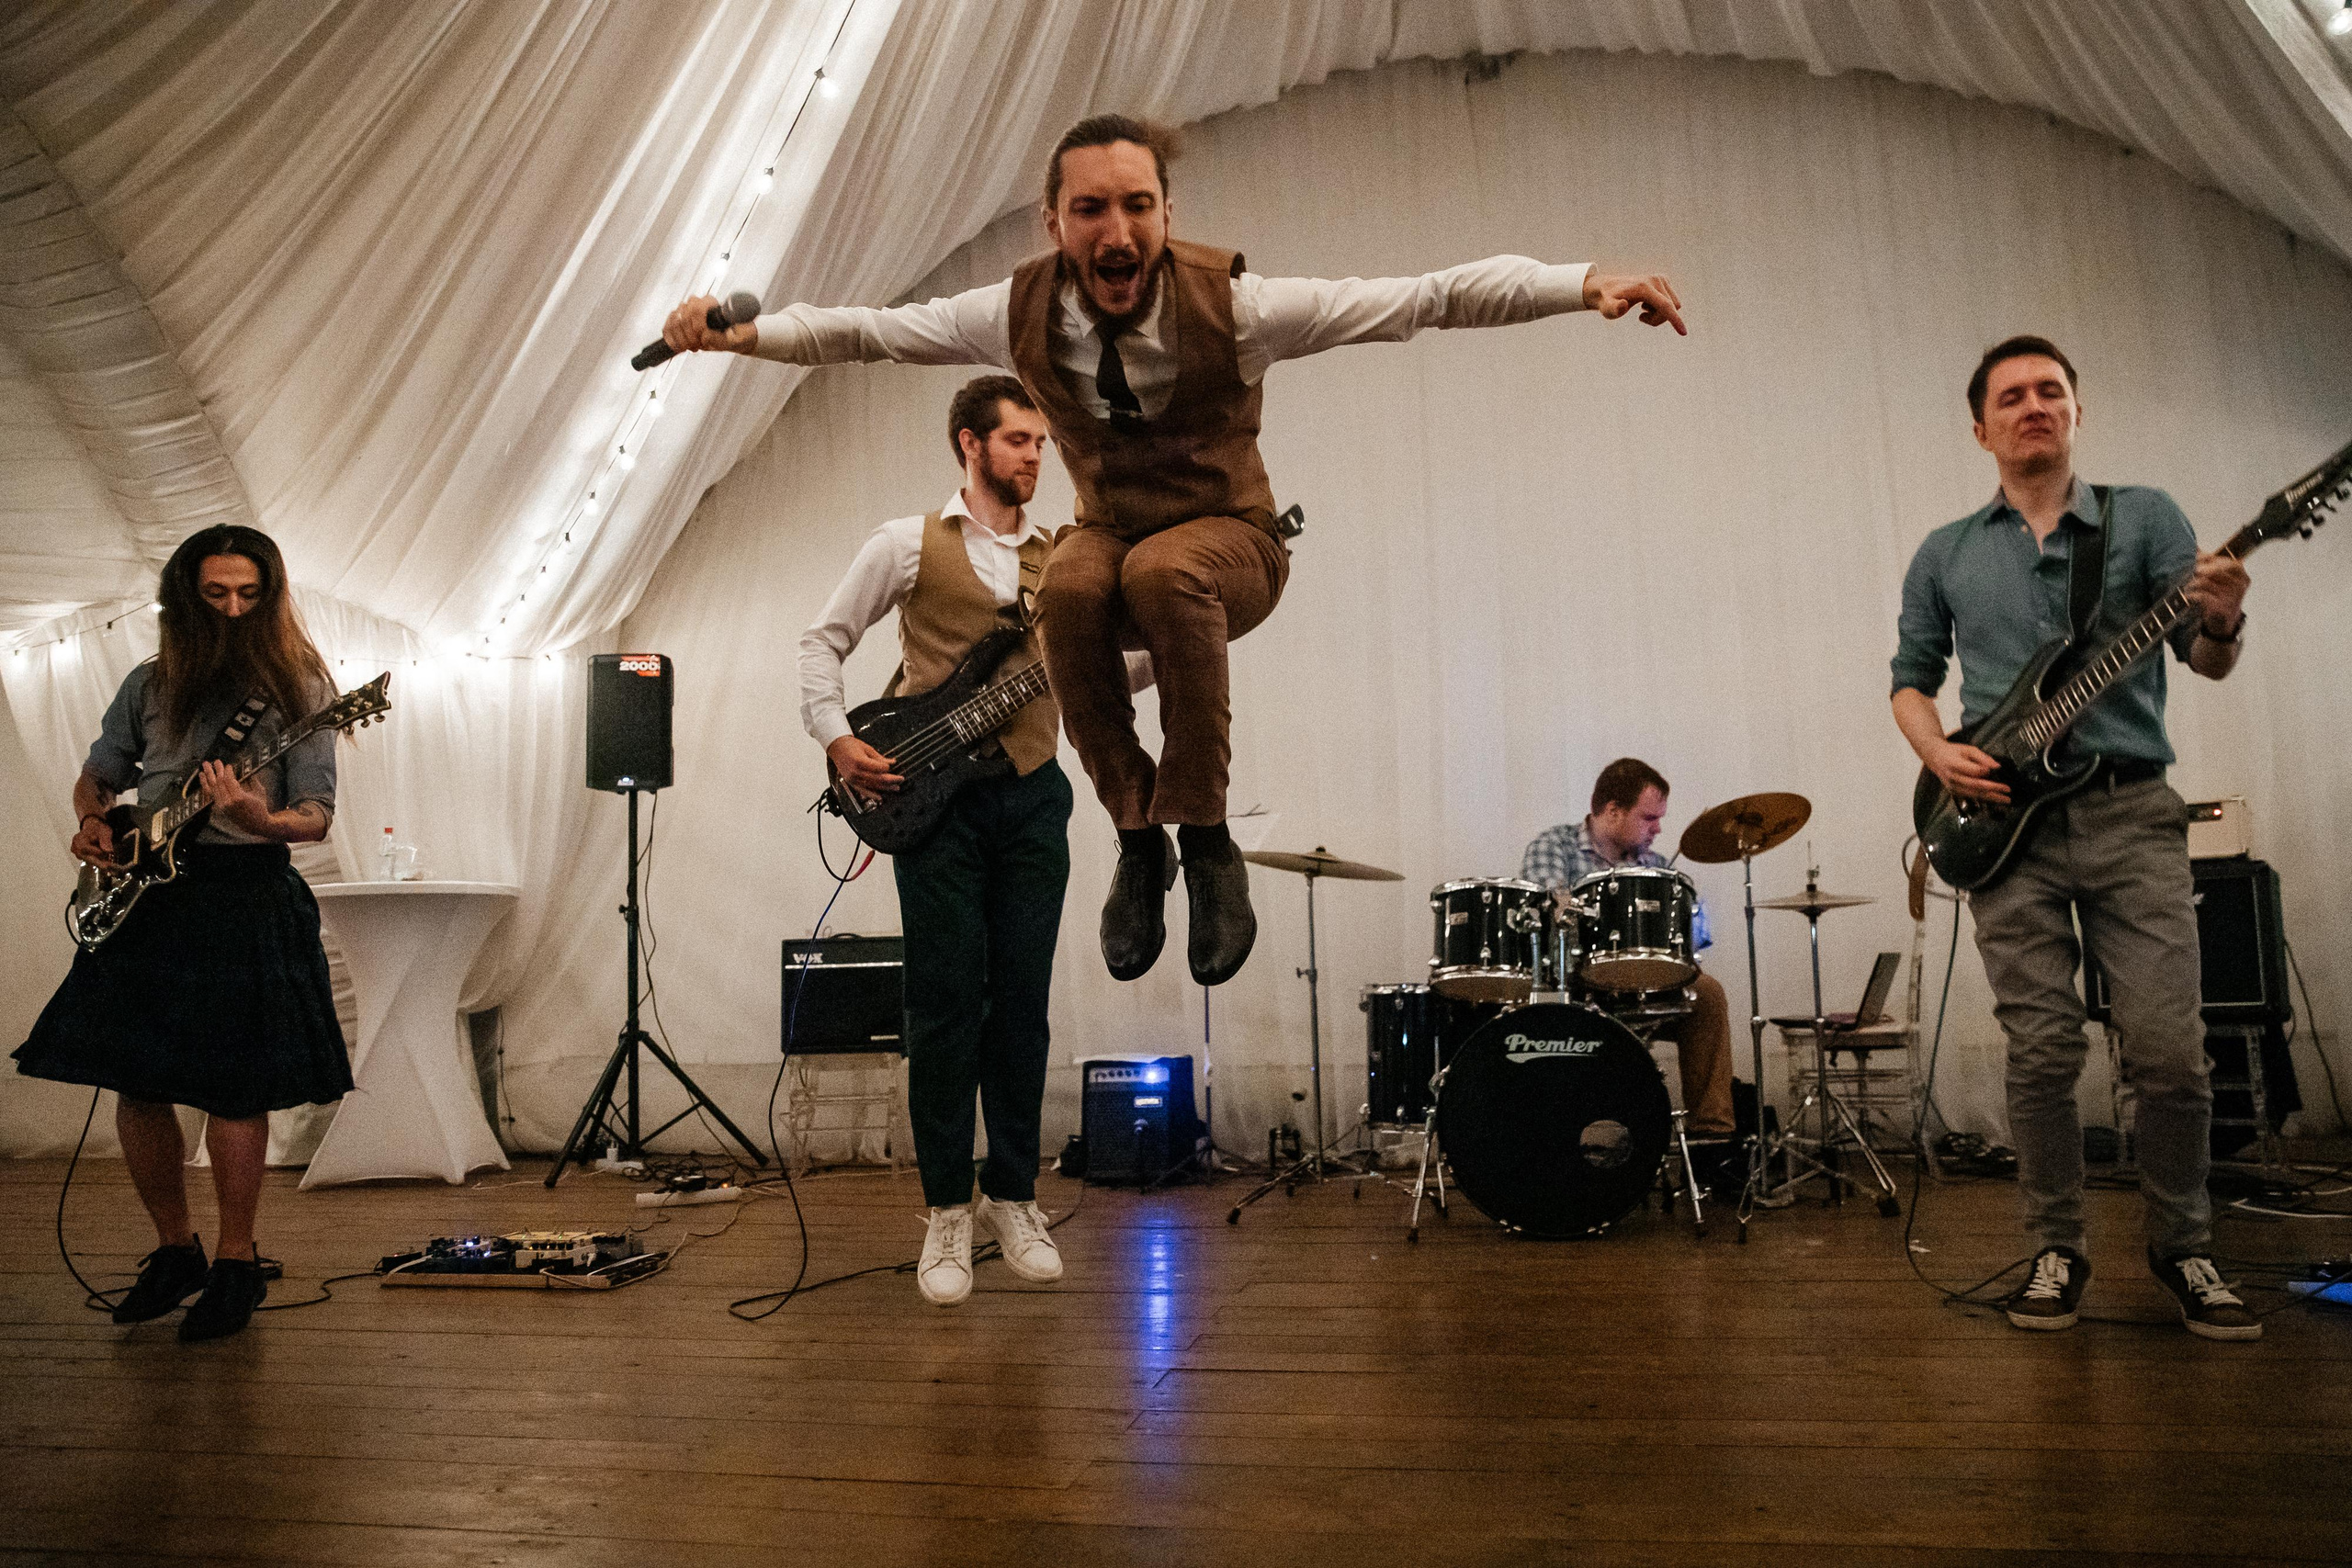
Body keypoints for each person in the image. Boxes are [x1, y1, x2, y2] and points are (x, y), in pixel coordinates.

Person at [665, 113, 1686, 989]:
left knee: (1163, 571)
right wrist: (749, 335)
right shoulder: (1014, 315)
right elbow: (874, 331)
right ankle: (1137, 838)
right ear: (1054, 222)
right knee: (1065, 582)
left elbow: (1422, 298)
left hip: (1230, 537)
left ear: (1166, 213)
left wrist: (1578, 281)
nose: (1117, 232)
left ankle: (1203, 836)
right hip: (1109, 533)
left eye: (1137, 206)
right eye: (1092, 210)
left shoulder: (1235, 309)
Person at [1891, 335, 2257, 1339]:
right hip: (2006, 825)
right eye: (2011, 396)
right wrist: (1937, 754)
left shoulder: (2143, 519)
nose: (2033, 406)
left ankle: (2185, 1249)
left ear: (2076, 412)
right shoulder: (1947, 552)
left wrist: (2220, 621)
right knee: (2041, 1051)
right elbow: (1910, 678)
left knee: (2172, 1055)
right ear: (1981, 429)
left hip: (2131, 811)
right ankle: (2057, 1248)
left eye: (2051, 390)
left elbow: (2205, 659)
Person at [801, 377, 1136, 1306]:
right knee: (945, 1004)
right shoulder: (905, 544)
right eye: (1020, 440)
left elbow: (1110, 671)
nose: (1036, 455)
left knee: (1021, 1002)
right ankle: (947, 1208)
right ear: (970, 444)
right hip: (934, 801)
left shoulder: (1068, 559)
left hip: (1033, 796)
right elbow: (820, 642)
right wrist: (838, 737)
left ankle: (1015, 1196)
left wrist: (1190, 633)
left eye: (1042, 442)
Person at [15, 525, 348, 1342]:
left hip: (243, 896)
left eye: (249, 594)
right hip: (150, 900)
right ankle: (176, 1250)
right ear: (183, 596)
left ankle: (238, 1262)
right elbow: (99, 772)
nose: (233, 609)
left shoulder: (300, 686)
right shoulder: (148, 683)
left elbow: (316, 815)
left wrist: (256, 815)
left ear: (269, 597)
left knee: (235, 1086)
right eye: (215, 594)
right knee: (136, 1080)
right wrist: (93, 819)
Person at [1521, 758, 1737, 1188]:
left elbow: (1694, 939)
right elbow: (1546, 918)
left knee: (1708, 995)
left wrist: (1690, 918)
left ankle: (1713, 1146)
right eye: (1649, 817)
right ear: (1613, 810)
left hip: (1649, 983)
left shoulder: (1656, 863)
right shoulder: (1554, 847)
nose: (1658, 828)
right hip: (1579, 984)